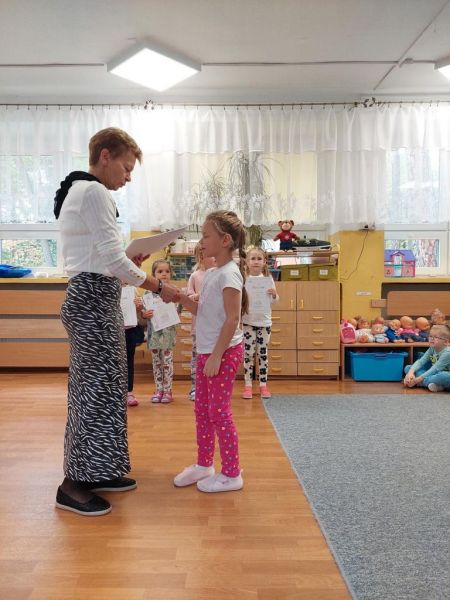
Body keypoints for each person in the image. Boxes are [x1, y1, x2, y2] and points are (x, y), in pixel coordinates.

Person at [54, 127, 179, 516]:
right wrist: (161, 287)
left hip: (96, 296)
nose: (128, 178)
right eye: (126, 168)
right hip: (92, 300)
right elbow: (109, 259)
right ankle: (73, 485)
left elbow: (105, 257)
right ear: (105, 156)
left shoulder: (85, 191)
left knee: (107, 389)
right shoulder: (93, 192)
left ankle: (98, 471)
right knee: (93, 392)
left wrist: (127, 263)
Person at [174, 210, 248, 493]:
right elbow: (204, 310)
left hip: (223, 352)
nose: (201, 242)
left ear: (225, 240)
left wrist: (217, 355)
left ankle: (232, 474)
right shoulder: (213, 273)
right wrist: (182, 299)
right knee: (203, 411)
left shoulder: (230, 274)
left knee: (219, 412)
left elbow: (232, 319)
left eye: (206, 236)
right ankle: (204, 464)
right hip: (207, 350)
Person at [242, 246, 278, 399]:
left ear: (264, 262)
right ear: (247, 262)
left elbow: (274, 301)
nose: (256, 261)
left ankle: (263, 385)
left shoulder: (268, 279)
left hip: (264, 323)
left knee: (263, 354)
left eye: (259, 259)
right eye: (253, 258)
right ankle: (248, 385)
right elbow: (240, 300)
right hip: (248, 322)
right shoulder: (244, 279)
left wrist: (274, 295)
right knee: (248, 354)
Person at [142, 259, 178, 404]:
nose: (164, 274)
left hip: (168, 334)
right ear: (153, 275)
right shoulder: (147, 293)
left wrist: (175, 304)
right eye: (160, 271)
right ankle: (159, 389)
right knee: (156, 363)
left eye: (167, 271)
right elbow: (144, 313)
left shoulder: (174, 291)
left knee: (167, 363)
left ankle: (168, 390)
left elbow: (178, 309)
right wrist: (145, 314)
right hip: (154, 335)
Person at [185, 243, 216, 401]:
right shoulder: (195, 276)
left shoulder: (219, 274)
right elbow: (189, 297)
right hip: (199, 327)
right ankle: (195, 388)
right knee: (197, 358)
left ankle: (212, 388)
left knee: (213, 358)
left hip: (216, 327)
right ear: (201, 257)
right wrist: (198, 296)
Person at [403, 324, 450, 392]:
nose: (432, 339)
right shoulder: (432, 348)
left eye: (436, 337)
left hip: (444, 373)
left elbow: (435, 368)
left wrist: (417, 380)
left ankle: (420, 383)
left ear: (445, 342)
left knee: (444, 376)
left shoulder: (448, 352)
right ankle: (436, 386)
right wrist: (410, 373)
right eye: (430, 336)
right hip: (434, 374)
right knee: (408, 368)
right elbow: (421, 361)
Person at [122, 286, 145, 407]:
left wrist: (139, 306)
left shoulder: (132, 289)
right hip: (112, 330)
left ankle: (129, 392)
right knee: (112, 362)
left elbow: (139, 312)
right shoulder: (107, 286)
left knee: (128, 361)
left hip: (129, 330)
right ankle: (114, 394)